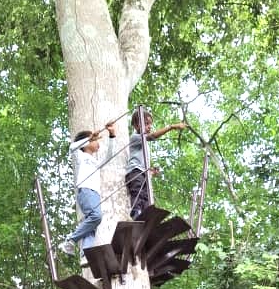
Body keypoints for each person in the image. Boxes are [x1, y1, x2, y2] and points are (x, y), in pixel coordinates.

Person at [59, 122, 117, 256]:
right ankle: (70, 240)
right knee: (96, 217)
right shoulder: (80, 156)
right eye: (95, 141)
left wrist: (112, 135)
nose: (98, 143)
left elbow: (110, 156)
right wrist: (90, 137)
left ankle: (86, 255)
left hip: (95, 193)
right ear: (85, 143)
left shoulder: (95, 161)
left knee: (91, 227)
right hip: (86, 190)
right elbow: (72, 146)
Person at [126, 109, 187, 220]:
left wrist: (150, 172)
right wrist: (171, 127)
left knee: (146, 198)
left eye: (150, 124)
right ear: (136, 125)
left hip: (143, 173)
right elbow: (153, 136)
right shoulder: (135, 138)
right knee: (138, 192)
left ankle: (145, 219)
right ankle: (135, 214)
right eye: (146, 123)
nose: (149, 127)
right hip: (135, 171)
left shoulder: (144, 143)